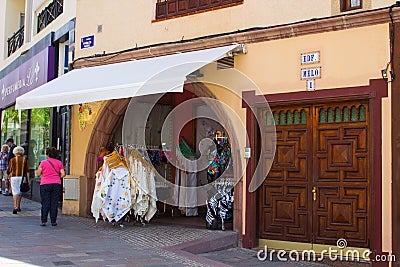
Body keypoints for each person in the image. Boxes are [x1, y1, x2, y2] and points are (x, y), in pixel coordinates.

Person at [36, 147, 65, 226]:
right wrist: (57, 176)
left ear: (48, 154)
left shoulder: (43, 162)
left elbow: (38, 173)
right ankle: (53, 221)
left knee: (45, 202)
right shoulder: (59, 163)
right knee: (54, 203)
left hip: (45, 184)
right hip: (56, 184)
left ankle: (43, 221)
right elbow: (63, 174)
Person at [7, 146, 29, 214]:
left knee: (15, 192)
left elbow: (9, 170)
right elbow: (27, 171)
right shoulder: (24, 159)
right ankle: (18, 206)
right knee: (20, 192)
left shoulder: (12, 160)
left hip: (14, 177)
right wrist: (28, 180)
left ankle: (15, 206)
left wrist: (8, 178)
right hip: (22, 177)